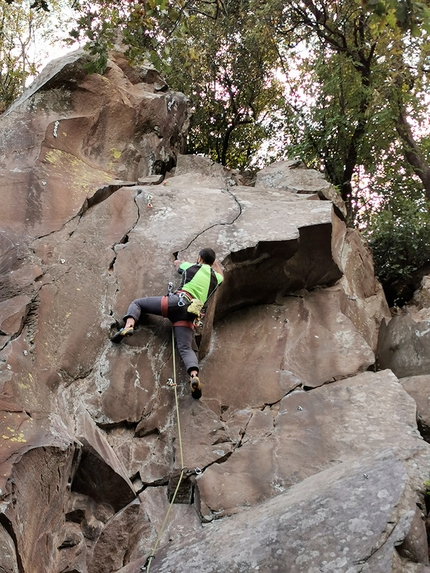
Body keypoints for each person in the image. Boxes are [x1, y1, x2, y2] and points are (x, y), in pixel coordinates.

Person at [111, 247, 224, 399]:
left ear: (200, 258)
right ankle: (193, 375)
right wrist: (213, 261)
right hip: (190, 314)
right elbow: (221, 274)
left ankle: (129, 326)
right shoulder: (216, 278)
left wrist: (178, 260)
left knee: (138, 304)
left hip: (176, 302)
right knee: (185, 348)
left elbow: (178, 264)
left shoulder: (191, 267)